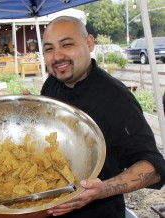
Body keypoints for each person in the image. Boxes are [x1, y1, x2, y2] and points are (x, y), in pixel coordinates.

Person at [41, 16, 165, 218]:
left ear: (89, 43)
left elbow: (153, 167)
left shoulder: (117, 99)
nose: (57, 56)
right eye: (49, 49)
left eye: (67, 44)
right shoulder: (51, 85)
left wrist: (102, 190)